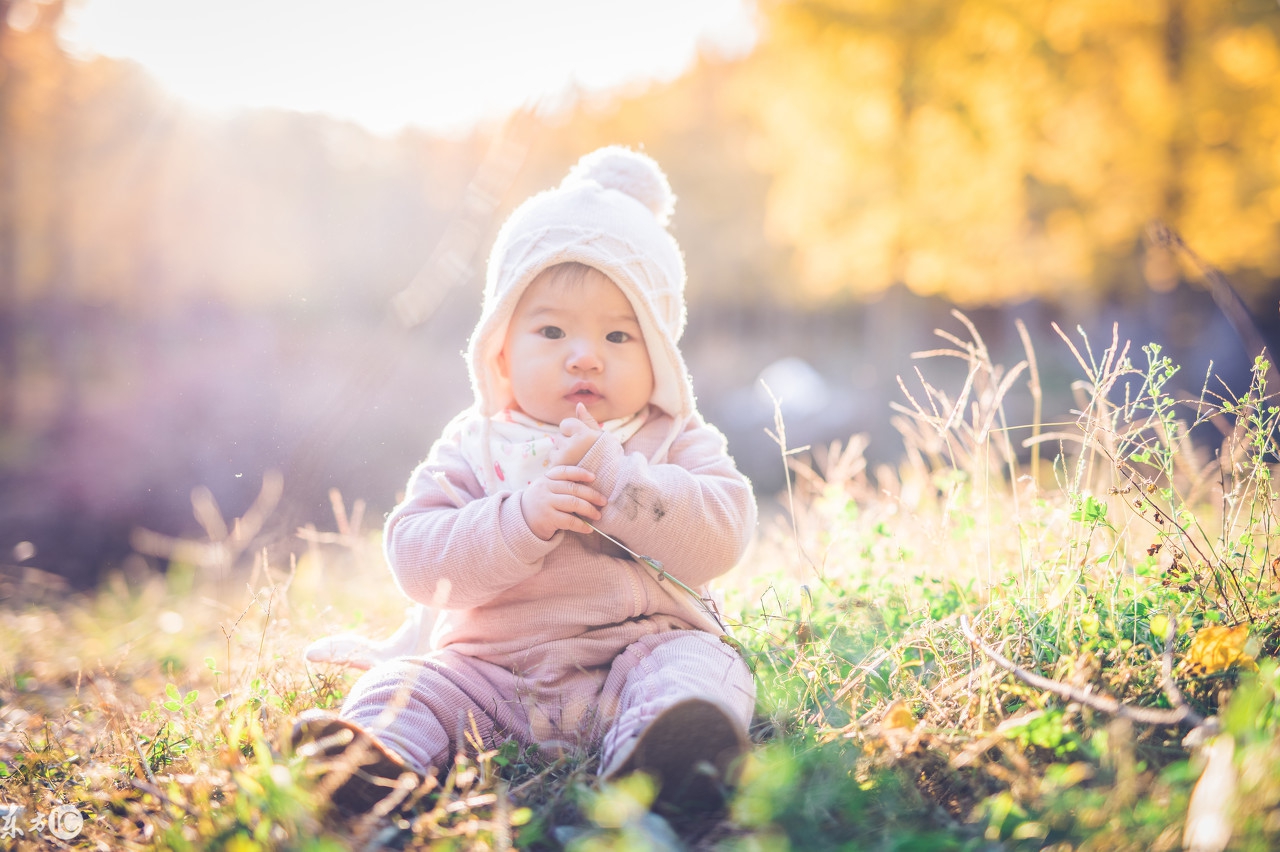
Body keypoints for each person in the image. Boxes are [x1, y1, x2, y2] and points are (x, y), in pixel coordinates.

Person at [292, 146, 758, 815]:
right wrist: (519, 519)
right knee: (412, 686)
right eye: (551, 329)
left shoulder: (669, 437)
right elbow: (416, 555)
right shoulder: (477, 445)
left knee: (705, 667)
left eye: (620, 337)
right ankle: (371, 767)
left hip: (636, 658)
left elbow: (725, 532)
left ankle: (670, 759)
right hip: (492, 676)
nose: (585, 355)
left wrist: (620, 482)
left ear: (660, 355)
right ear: (501, 351)